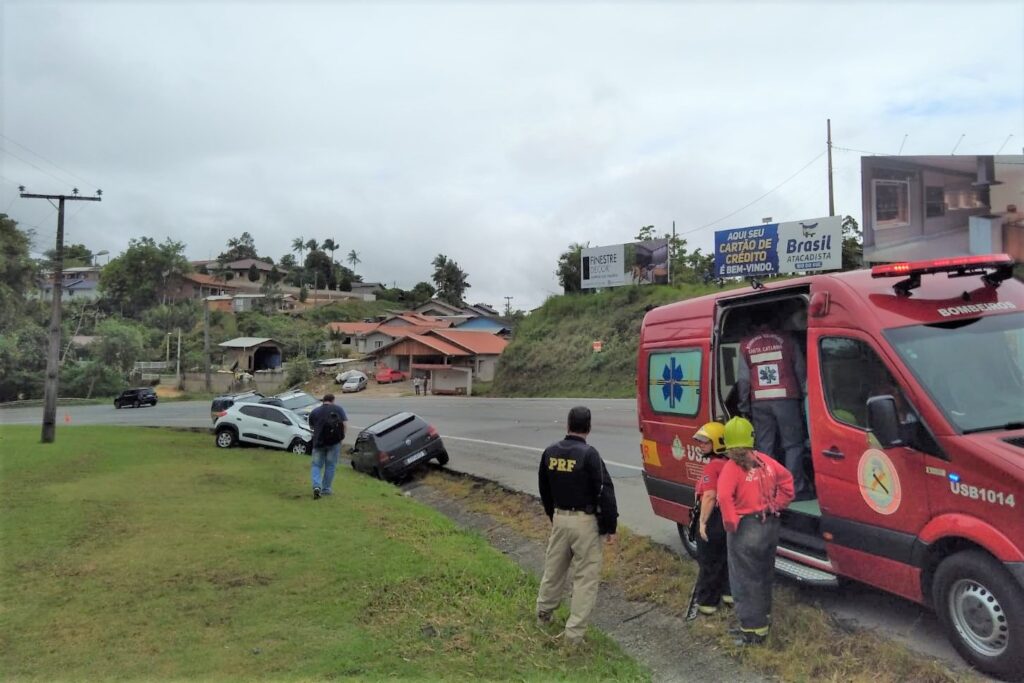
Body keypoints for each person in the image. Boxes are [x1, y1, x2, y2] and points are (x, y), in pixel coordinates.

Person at [535, 406, 618, 648]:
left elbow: (544, 489)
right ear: (589, 427)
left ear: (567, 425)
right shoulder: (590, 455)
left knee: (554, 569)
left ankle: (543, 613)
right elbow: (605, 491)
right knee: (585, 578)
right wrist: (609, 527)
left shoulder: (550, 453)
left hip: (560, 518)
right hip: (585, 522)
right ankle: (573, 636)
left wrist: (553, 515)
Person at [717, 416, 794, 646]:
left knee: (744, 579)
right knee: (763, 574)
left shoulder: (731, 468)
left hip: (746, 527)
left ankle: (752, 631)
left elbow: (723, 496)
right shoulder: (765, 461)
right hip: (769, 525)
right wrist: (778, 504)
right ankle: (764, 618)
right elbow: (788, 481)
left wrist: (731, 524)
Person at [736, 311, 814, 500]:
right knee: (793, 445)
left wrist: (744, 406)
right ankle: (795, 488)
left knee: (765, 447)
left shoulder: (746, 344)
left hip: (759, 402)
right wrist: (807, 397)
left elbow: (744, 380)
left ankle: (768, 489)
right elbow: (801, 371)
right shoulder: (787, 340)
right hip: (786, 399)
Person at [692, 422, 732, 615]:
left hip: (713, 518)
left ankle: (708, 603)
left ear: (717, 442)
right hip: (728, 518)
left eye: (705, 442)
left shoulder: (712, 467)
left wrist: (702, 522)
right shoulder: (730, 464)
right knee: (725, 558)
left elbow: (709, 496)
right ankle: (729, 594)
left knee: (708, 561)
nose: (700, 445)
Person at [307, 393, 348, 500]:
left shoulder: (315, 411)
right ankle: (326, 489)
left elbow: (311, 426)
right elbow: (344, 425)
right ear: (333, 400)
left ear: (323, 401)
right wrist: (341, 439)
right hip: (334, 443)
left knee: (316, 465)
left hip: (318, 443)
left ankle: (316, 486)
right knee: (330, 466)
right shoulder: (338, 409)